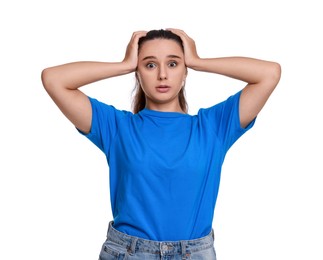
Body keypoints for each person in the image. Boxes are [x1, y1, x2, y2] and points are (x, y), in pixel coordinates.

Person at [41, 28, 281, 259]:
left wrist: (198, 61)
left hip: (195, 253)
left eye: (174, 63)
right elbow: (54, 79)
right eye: (150, 64)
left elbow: (269, 73)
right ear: (138, 71)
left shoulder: (213, 127)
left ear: (185, 71)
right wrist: (124, 64)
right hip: (129, 253)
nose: (162, 75)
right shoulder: (116, 127)